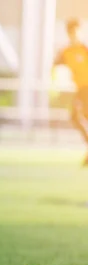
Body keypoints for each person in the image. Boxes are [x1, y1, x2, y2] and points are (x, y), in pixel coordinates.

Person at [54, 19, 88, 164]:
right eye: (71, 32)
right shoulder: (66, 52)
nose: (74, 35)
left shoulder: (85, 49)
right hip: (80, 89)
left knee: (80, 115)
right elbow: (56, 67)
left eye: (76, 32)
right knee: (75, 118)